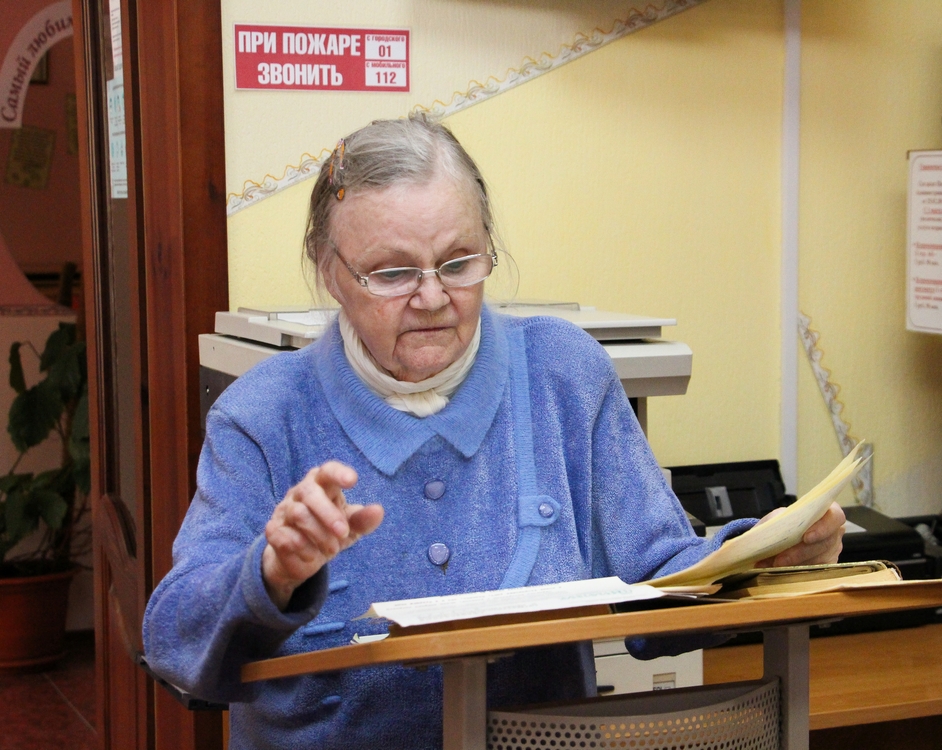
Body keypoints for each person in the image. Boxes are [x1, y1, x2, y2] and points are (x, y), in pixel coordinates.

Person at [142, 115, 845, 749]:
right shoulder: (264, 413)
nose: (432, 296)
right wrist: (269, 573)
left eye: (459, 262)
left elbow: (661, 576)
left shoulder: (565, 374)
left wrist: (764, 558)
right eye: (392, 273)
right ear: (331, 272)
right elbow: (174, 637)